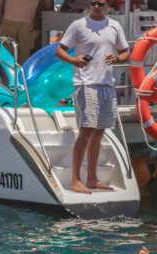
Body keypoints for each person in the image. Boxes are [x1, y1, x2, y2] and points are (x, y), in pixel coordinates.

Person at [56, 0, 130, 194]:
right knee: (86, 130)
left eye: (101, 3)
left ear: (107, 6)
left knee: (99, 132)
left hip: (107, 84)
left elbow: (125, 53)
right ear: (90, 5)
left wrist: (117, 58)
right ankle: (74, 180)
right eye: (94, 2)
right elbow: (59, 49)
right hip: (86, 83)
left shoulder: (115, 25)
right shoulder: (79, 24)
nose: (97, 6)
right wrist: (73, 59)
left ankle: (92, 178)